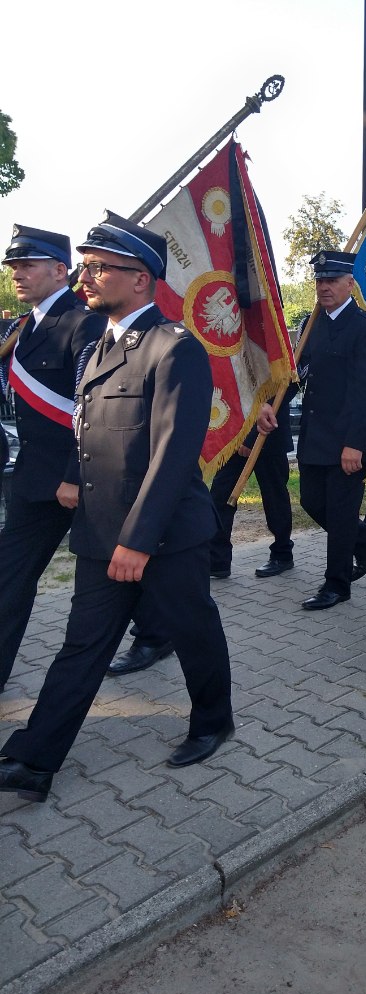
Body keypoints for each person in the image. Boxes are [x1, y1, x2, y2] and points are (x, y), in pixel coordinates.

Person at [0, 213, 234, 802]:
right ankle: (35, 759)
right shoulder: (100, 345)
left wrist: (138, 539)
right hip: (102, 531)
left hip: (164, 535)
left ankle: (213, 719)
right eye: (87, 265)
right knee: (82, 645)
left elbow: (174, 456)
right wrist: (79, 489)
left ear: (140, 280)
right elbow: (87, 430)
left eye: (102, 267)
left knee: (193, 628)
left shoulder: (174, 348)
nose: (89, 276)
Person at [0, 225, 105, 693]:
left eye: (27, 265)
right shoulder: (23, 328)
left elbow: (93, 409)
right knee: (9, 578)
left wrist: (73, 475)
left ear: (61, 270)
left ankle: (156, 634)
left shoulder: (87, 325)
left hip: (80, 481)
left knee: (121, 573)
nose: (17, 275)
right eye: (14, 267)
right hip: (32, 482)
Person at [293, 250, 366, 611]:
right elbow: (299, 373)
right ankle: (365, 539)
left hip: (347, 439)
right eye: (319, 280)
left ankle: (337, 584)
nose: (324, 287)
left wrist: (355, 444)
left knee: (339, 508)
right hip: (313, 435)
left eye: (332, 280)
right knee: (311, 502)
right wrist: (271, 408)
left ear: (351, 284)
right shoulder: (310, 325)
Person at [208, 404, 295, 580]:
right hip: (237, 433)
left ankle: (282, 554)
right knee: (220, 494)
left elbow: (284, 390)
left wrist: (251, 437)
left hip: (269, 436)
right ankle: (217, 561)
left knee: (274, 498)